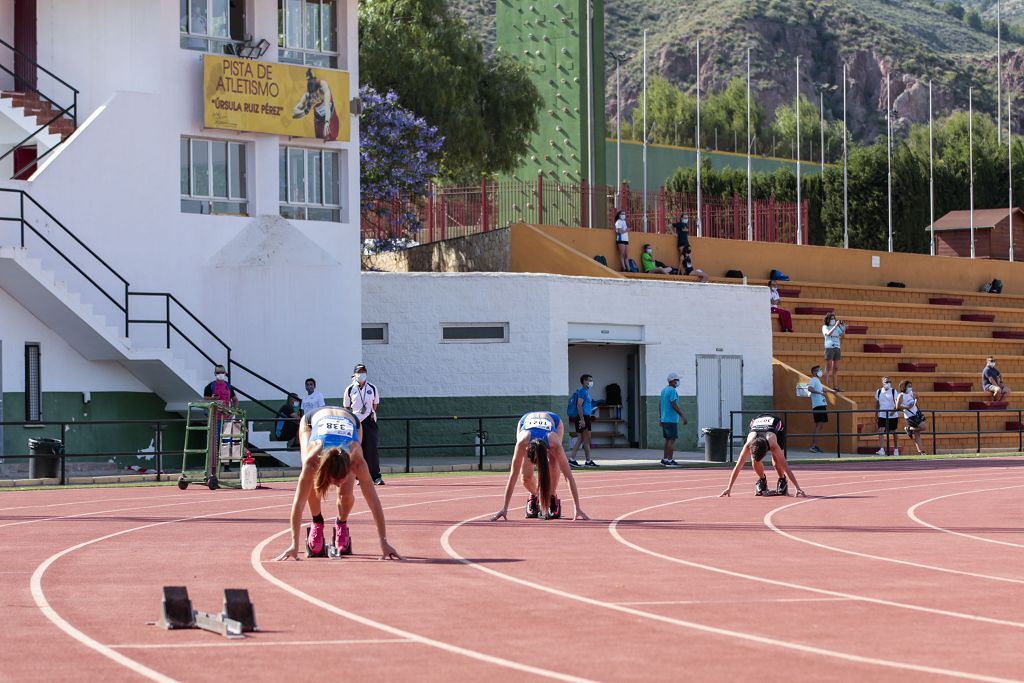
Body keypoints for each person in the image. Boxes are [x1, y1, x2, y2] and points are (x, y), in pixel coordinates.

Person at [274, 405, 401, 561]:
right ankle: (317, 522)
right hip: (311, 422)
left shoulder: (357, 461)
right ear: (327, 472)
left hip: (351, 421)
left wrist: (384, 542)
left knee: (345, 493)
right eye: (335, 481)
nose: (337, 484)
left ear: (349, 467)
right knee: (311, 482)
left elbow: (374, 502)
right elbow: (298, 502)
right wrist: (294, 544)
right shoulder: (314, 458)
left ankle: (341, 524)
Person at [491, 411, 589, 521]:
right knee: (525, 477)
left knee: (553, 465)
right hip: (526, 422)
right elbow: (513, 475)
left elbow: (568, 476)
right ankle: (535, 495)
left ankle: (552, 496)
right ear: (527, 450)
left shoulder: (554, 442)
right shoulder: (522, 442)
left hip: (554, 422)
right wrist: (504, 508)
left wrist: (577, 508)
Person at [719, 414, 806, 498]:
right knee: (755, 461)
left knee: (777, 462)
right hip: (757, 422)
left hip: (776, 425)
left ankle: (782, 479)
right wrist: (729, 487)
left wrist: (797, 487)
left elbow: (786, 467)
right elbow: (738, 467)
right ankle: (762, 479)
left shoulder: (773, 444)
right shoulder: (748, 445)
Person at [343, 364, 383, 485]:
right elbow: (346, 406)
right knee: (356, 450)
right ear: (354, 374)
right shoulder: (350, 389)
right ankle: (358, 477)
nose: (362, 374)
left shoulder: (372, 387)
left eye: (364, 372)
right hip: (355, 422)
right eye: (359, 372)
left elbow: (375, 404)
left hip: (369, 421)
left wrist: (370, 412)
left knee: (371, 449)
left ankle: (375, 477)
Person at [567, 374, 599, 468]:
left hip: (586, 417)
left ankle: (579, 460)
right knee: (584, 439)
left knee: (584, 439)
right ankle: (580, 460)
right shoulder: (582, 391)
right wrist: (582, 420)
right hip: (583, 417)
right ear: (584, 381)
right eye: (589, 380)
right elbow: (579, 405)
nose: (591, 382)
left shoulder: (585, 391)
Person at [660, 372, 688, 467]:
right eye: (677, 380)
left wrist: (660, 418)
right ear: (672, 381)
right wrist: (682, 416)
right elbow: (673, 404)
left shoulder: (664, 390)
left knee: (667, 440)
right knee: (671, 440)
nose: (678, 382)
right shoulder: (672, 391)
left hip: (664, 419)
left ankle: (665, 459)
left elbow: (660, 404)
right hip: (671, 419)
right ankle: (670, 460)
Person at [806, 365, 834, 453]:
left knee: (820, 426)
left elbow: (822, 389)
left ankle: (815, 445)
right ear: (814, 372)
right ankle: (813, 446)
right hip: (818, 405)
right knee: (818, 426)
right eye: (818, 370)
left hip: (821, 404)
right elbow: (810, 388)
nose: (820, 371)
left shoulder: (817, 380)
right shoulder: (813, 380)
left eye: (820, 370)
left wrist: (832, 391)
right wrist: (820, 393)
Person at [896, 380, 927, 456]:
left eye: (911, 386)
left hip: (916, 414)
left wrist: (915, 402)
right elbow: (897, 406)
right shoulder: (901, 395)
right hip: (909, 416)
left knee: (917, 433)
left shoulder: (912, 393)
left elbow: (917, 397)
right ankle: (908, 429)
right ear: (904, 387)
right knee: (924, 427)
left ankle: (920, 451)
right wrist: (907, 407)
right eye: (909, 386)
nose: (910, 387)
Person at [875, 376, 900, 456]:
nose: (888, 383)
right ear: (882, 383)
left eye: (889, 382)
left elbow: (897, 402)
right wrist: (876, 414)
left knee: (893, 432)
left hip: (892, 415)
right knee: (881, 430)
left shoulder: (893, 391)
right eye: (886, 382)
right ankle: (882, 449)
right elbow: (877, 403)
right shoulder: (878, 391)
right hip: (882, 415)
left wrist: (894, 410)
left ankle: (896, 449)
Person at [822, 312, 846, 391]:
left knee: (835, 368)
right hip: (829, 347)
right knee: (828, 367)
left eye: (834, 318)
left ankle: (835, 387)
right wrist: (835, 326)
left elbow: (843, 336)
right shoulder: (825, 327)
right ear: (828, 319)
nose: (833, 320)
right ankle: (826, 387)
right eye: (831, 318)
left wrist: (842, 327)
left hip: (837, 347)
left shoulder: (837, 328)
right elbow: (828, 334)